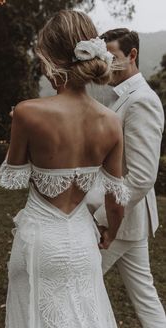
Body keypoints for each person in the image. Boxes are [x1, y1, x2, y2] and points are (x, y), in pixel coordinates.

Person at [0, 11, 130, 328]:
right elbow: (116, 199)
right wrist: (109, 233)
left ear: (51, 59)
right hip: (84, 243)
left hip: (39, 244)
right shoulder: (111, 122)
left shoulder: (28, 113)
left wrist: (18, 127)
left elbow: (11, 176)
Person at [87, 28, 166, 327]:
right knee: (145, 297)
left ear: (132, 55)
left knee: (79, 281)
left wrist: (105, 216)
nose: (108, 63)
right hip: (132, 221)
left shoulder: (142, 100)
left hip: (120, 219)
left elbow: (143, 175)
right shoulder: (121, 96)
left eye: (114, 57)